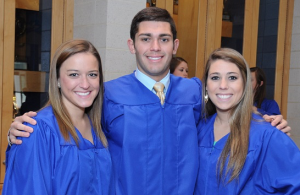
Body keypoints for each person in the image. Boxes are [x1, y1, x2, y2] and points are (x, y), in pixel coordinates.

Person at [7, 7, 291, 194]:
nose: (155, 48)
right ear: (132, 45)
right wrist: (17, 130)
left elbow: (225, 116)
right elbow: (64, 126)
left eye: (164, 39)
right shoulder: (106, 95)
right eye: (145, 39)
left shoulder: (192, 91)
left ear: (175, 46)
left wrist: (264, 121)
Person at [3, 40, 114, 195]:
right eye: (74, 74)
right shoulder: (37, 129)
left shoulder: (100, 127)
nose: (85, 84)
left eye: (92, 74)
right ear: (57, 80)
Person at [194, 48, 300, 194]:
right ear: (206, 85)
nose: (223, 85)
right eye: (215, 77)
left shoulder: (267, 135)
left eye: (232, 77)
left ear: (244, 84)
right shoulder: (198, 129)